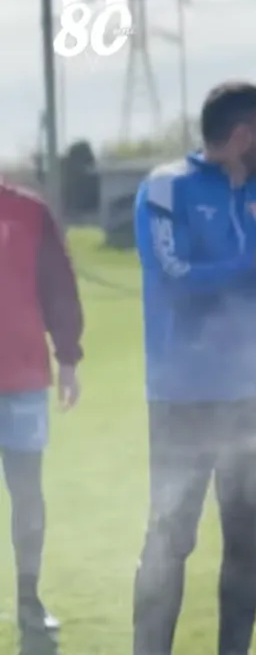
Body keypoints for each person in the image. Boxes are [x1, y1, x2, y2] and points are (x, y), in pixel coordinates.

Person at [131, 82, 256, 655]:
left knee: (248, 546)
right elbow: (174, 278)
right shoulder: (167, 188)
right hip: (185, 399)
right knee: (170, 539)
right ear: (242, 135)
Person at [0, 180, 83, 639]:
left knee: (27, 495)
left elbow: (58, 285)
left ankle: (29, 601)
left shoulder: (29, 211)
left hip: (23, 380)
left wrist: (68, 356)